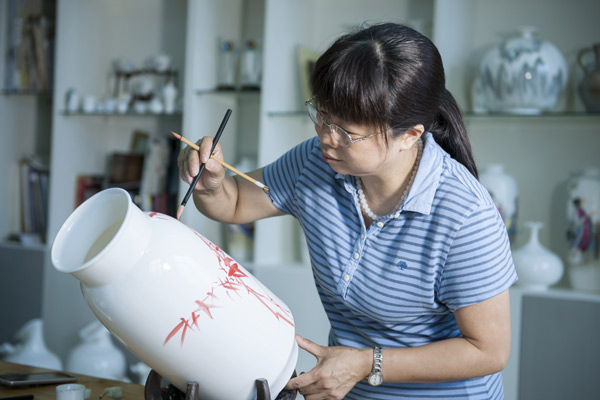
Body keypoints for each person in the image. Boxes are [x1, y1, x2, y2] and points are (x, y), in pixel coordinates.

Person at [178, 22, 517, 400]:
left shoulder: (465, 215)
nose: (326, 137)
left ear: (409, 135)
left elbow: (489, 350)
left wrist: (365, 363)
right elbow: (236, 202)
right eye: (322, 116)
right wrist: (211, 184)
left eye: (347, 132)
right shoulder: (315, 163)